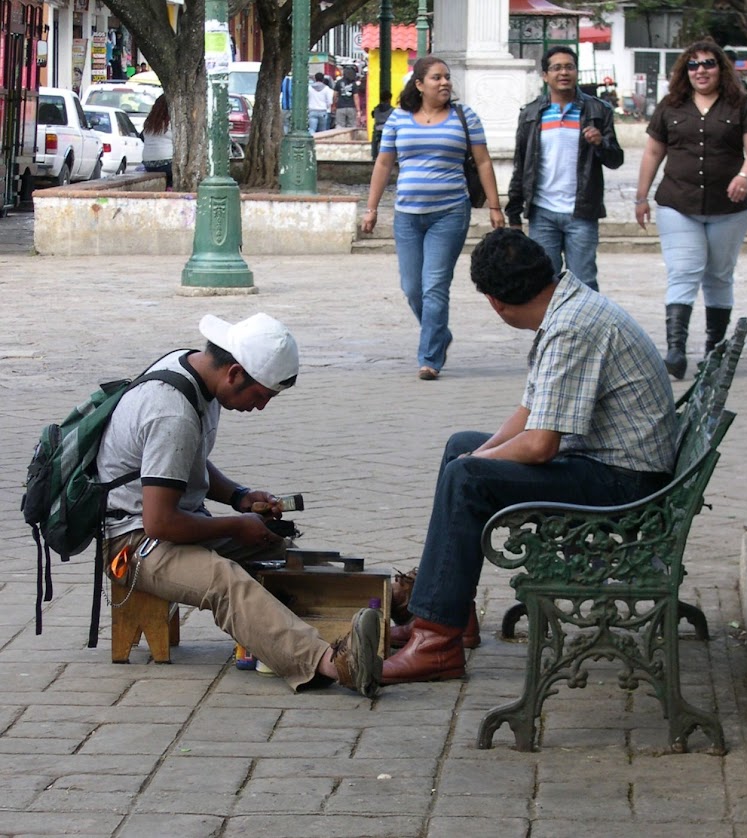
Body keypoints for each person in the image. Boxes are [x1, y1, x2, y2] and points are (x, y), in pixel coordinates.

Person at [380, 229, 677, 684]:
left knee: (468, 478)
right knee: (462, 449)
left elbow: (541, 444)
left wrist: (477, 467)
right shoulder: (566, 305)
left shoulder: (572, 327)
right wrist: (480, 454)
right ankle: (448, 614)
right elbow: (529, 412)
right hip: (608, 464)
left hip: (625, 484)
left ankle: (437, 643)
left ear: (495, 302)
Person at [96, 313, 383, 697]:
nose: (260, 407)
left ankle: (368, 623)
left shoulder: (197, 375)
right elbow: (160, 523)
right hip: (132, 545)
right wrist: (234, 524)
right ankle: (333, 665)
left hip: (169, 522)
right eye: (260, 396)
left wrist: (239, 497)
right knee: (225, 581)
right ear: (234, 373)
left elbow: (182, 460)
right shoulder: (172, 411)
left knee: (275, 548)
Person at [360, 55, 505, 381]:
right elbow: (384, 164)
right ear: (420, 84)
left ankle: (429, 358)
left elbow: (483, 162)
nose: (445, 83)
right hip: (407, 216)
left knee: (435, 286)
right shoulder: (399, 118)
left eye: (447, 77)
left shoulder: (464, 116)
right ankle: (438, 332)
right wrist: (371, 209)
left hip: (450, 212)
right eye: (437, 78)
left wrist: (495, 207)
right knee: (412, 287)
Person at [635, 39, 747, 380]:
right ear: (684, 71)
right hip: (678, 203)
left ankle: (714, 352)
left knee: (719, 275)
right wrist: (641, 196)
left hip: (730, 207)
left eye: (708, 63)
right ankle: (675, 351)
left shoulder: (742, 105)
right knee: (683, 270)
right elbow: (652, 153)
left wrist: (744, 175)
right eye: (693, 65)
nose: (701, 71)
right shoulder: (671, 106)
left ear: (721, 68)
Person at [505, 46, 623, 293]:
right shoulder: (531, 114)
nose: (563, 73)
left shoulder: (597, 111)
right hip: (542, 212)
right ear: (545, 75)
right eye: (556, 68)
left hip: (581, 211)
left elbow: (616, 160)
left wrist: (601, 143)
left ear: (577, 72)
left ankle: (585, 331)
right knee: (543, 282)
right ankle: (550, 331)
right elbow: (522, 165)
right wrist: (514, 213)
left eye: (569, 67)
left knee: (584, 283)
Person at [141, 93, 173, 189]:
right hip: (167, 163)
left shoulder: (149, 124)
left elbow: (142, 137)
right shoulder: (172, 124)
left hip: (148, 163)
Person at [370, 89, 394, 160]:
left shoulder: (376, 109)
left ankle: (374, 155)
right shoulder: (392, 110)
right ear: (389, 99)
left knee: (374, 138)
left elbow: (373, 115)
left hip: (378, 129)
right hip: (388, 129)